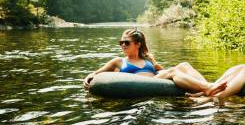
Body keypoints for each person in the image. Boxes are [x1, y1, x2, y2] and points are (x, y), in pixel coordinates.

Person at [83, 28, 226, 96]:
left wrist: (155, 64)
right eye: (121, 43)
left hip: (156, 82)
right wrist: (88, 77)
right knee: (174, 70)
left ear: (138, 44)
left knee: (184, 65)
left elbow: (162, 73)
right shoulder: (118, 61)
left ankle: (206, 89)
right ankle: (207, 88)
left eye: (126, 42)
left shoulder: (147, 59)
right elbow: (96, 73)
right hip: (138, 84)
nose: (123, 45)